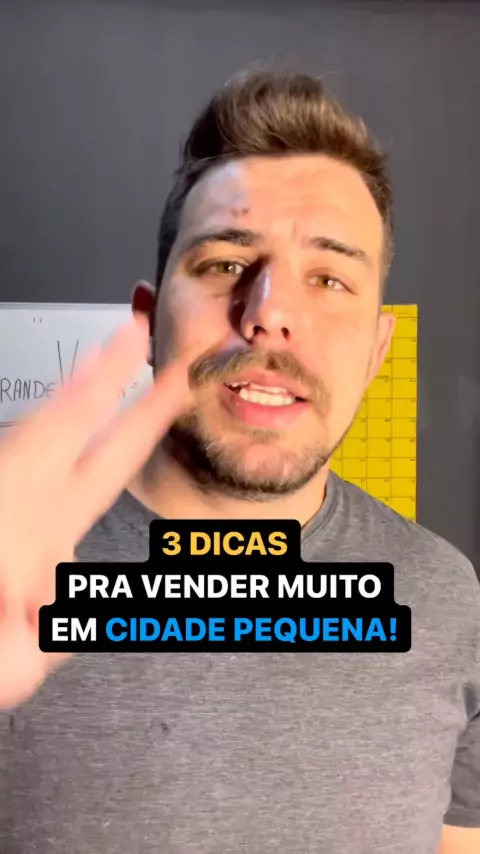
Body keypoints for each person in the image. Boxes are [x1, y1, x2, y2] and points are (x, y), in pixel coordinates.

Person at [0, 68, 478, 854]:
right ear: (148, 322)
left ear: (376, 351)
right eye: (225, 263)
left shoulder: (448, 601)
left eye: (329, 277)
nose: (270, 314)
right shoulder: (12, 568)